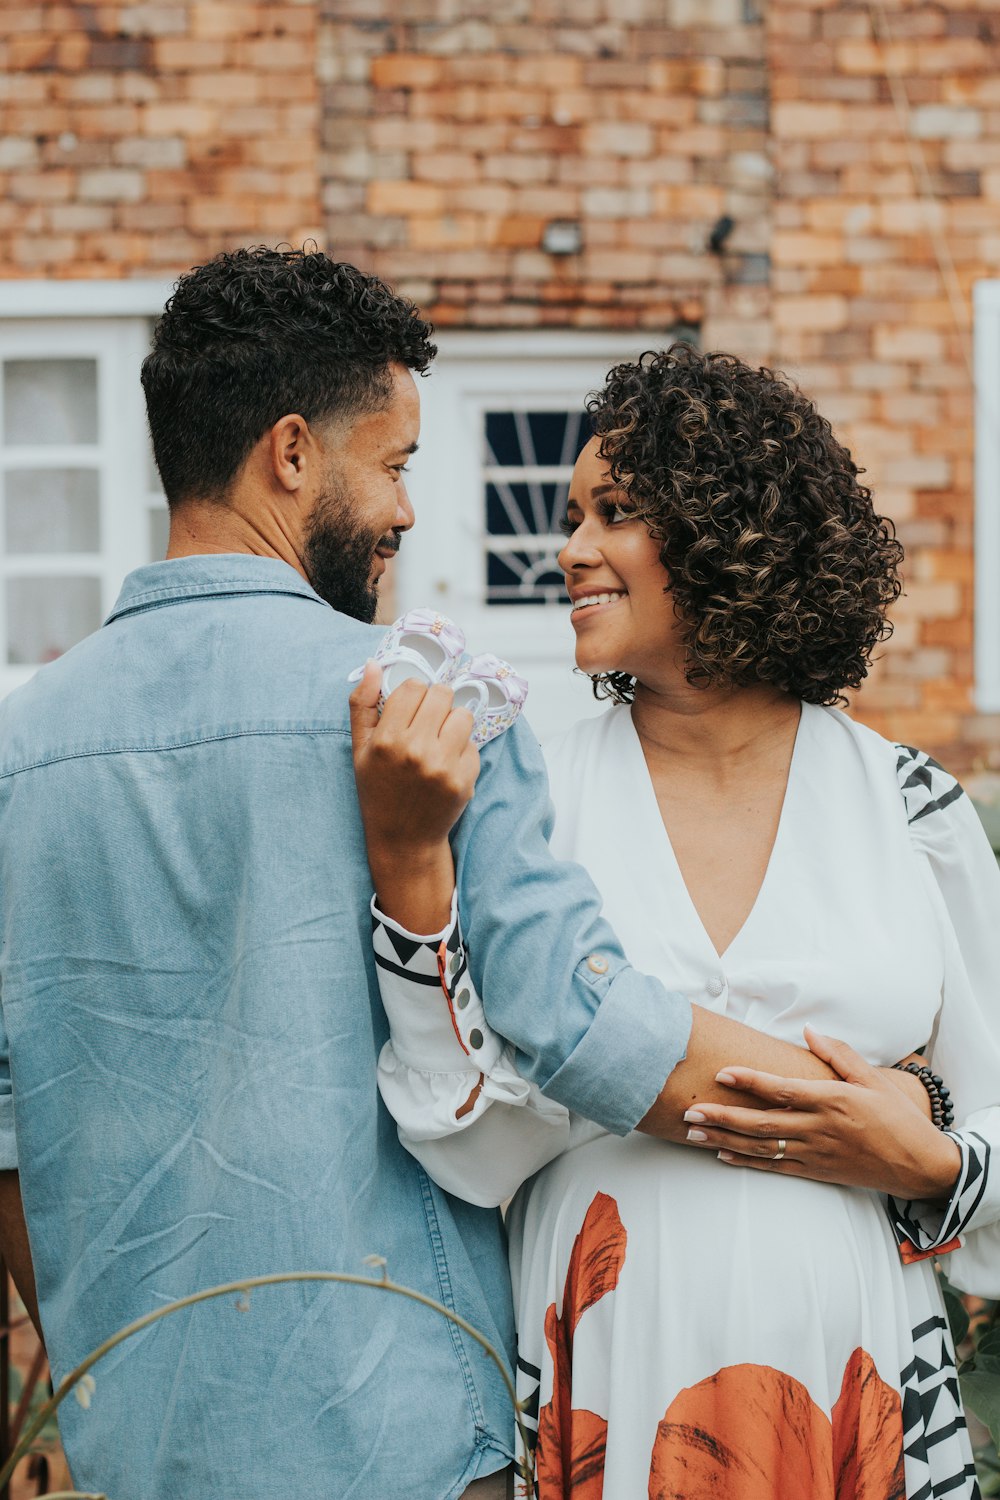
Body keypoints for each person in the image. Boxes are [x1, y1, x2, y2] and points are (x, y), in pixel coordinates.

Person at [0, 252, 921, 1499]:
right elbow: (568, 1015)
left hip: (141, 1433)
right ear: (290, 454)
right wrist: (855, 1109)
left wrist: (84, 1346)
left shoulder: (20, 752)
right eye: (393, 464)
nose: (408, 512)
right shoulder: (425, 713)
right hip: (401, 1432)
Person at [355, 345, 1000, 1499]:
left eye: (615, 512)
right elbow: (468, 1133)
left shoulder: (913, 813)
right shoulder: (528, 801)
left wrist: (932, 1153)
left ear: (729, 528)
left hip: (853, 1381)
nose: (570, 551)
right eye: (569, 515)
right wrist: (410, 866)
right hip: (606, 1374)